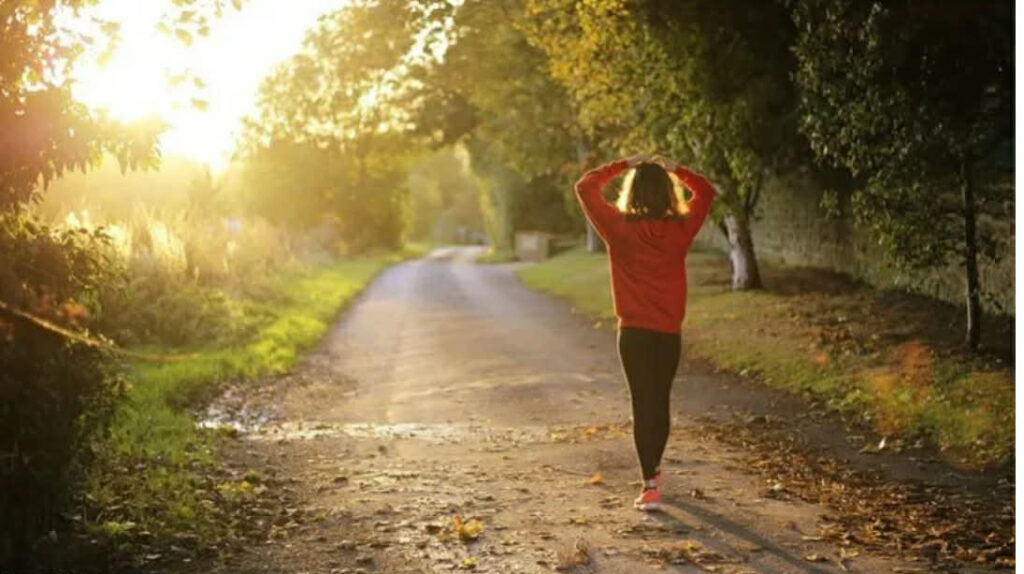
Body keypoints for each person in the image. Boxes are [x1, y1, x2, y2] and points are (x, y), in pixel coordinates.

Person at [573, 153, 717, 511]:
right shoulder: (680, 230)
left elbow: (585, 186)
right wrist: (676, 169)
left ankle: (649, 483)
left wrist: (623, 164)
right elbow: (706, 191)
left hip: (633, 334)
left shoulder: (618, 228)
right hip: (667, 333)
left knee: (642, 403)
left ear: (632, 191)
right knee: (660, 401)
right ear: (668, 192)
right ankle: (654, 472)